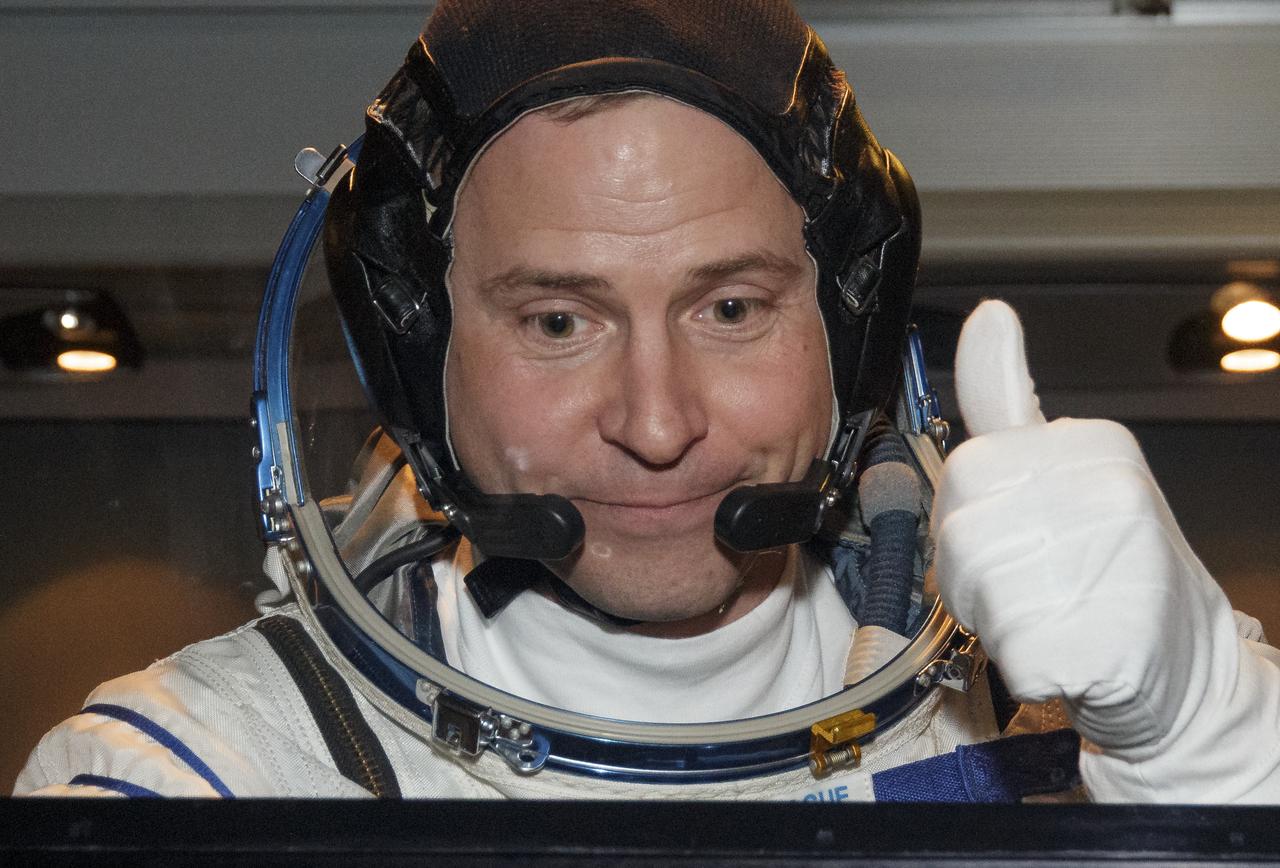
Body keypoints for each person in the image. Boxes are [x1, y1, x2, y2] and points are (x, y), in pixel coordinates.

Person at [15, 0, 1280, 802]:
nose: (658, 423)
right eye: (557, 322)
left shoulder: (1076, 713)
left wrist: (1205, 742)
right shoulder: (197, 782)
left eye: (729, 307)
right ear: (419, 360)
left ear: (844, 330)